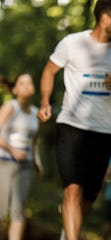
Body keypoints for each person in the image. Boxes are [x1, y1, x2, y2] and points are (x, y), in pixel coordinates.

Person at [37, 0, 111, 239]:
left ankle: (68, 231)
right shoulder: (72, 43)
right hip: (71, 125)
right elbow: (49, 71)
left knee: (89, 196)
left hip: (103, 131)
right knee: (72, 188)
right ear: (105, 19)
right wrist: (44, 101)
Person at [0, 73, 42, 240]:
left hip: (25, 165)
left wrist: (37, 162)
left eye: (30, 82)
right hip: (4, 162)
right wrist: (12, 149)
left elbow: (34, 141)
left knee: (18, 210)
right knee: (1, 208)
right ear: (15, 89)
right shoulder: (10, 107)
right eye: (22, 83)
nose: (27, 86)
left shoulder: (35, 113)